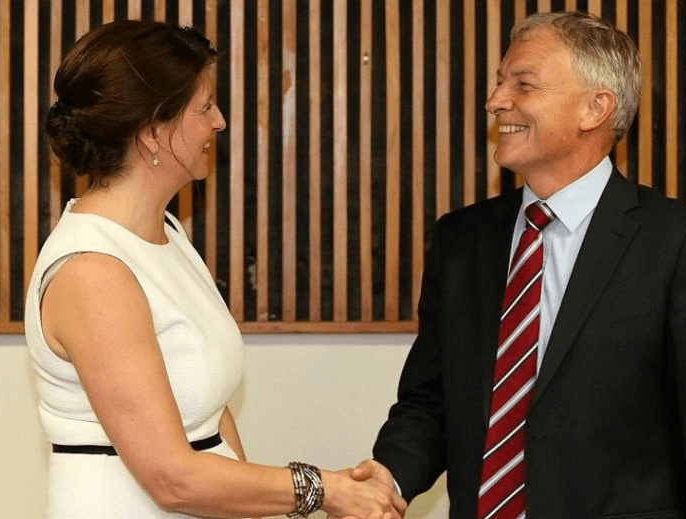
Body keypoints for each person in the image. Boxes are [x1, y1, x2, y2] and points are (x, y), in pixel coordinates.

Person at [350, 11, 686, 519]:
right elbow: (431, 402)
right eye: (501, 81)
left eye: (522, 83)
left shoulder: (681, 245)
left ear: (595, 108)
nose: (496, 100)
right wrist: (387, 478)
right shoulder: (461, 240)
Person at [24, 20, 406, 519]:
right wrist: (324, 490)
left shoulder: (167, 233)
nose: (219, 121)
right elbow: (171, 478)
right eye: (204, 107)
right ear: (155, 130)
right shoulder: (93, 272)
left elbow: (210, 412)